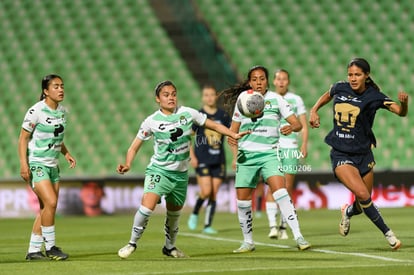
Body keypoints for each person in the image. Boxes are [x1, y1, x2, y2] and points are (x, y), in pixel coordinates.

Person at [117, 80, 249, 259]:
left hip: (180, 174)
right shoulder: (151, 121)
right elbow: (134, 147)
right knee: (147, 208)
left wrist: (232, 134)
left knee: (174, 215)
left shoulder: (188, 113)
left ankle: (169, 247)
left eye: (173, 94)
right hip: (159, 171)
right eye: (166, 95)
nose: (171, 98)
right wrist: (128, 164)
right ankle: (132, 243)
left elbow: (215, 126)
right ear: (157, 99)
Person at [309, 58, 408, 250]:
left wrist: (404, 105)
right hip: (341, 153)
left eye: (358, 74)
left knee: (362, 204)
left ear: (366, 75)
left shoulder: (375, 96)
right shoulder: (340, 87)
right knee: (363, 194)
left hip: (363, 154)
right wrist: (314, 110)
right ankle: (390, 235)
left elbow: (400, 113)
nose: (353, 78)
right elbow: (327, 95)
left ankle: (347, 212)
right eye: (350, 74)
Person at [221, 65, 311, 252]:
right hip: (247, 156)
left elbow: (297, 124)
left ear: (267, 81)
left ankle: (299, 236)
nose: (258, 82)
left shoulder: (276, 100)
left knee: (281, 192)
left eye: (262, 79)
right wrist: (236, 155)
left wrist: (291, 128)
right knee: (243, 201)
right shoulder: (243, 100)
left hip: (270, 154)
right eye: (254, 79)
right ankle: (248, 241)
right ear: (249, 82)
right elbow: (232, 133)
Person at [18, 74, 76, 261]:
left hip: (53, 166)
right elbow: (23, 138)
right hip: (37, 164)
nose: (61, 89)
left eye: (62, 86)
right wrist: (23, 164)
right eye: (56, 86)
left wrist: (65, 153)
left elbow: (57, 137)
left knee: (46, 208)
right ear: (45, 91)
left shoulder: (62, 111)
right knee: (50, 202)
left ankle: (33, 251)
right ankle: (51, 247)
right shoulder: (36, 111)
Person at [265, 69, 308, 240]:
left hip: (290, 146)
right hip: (273, 147)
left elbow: (303, 125)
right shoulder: (267, 98)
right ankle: (272, 226)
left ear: (288, 82)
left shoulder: (296, 100)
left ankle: (283, 226)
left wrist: (304, 144)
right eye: (278, 79)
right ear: (274, 82)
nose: (281, 82)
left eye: (284, 79)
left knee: (287, 188)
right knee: (272, 186)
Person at [187, 85, 231, 234]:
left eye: (212, 95)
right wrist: (191, 156)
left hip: (219, 159)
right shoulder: (198, 115)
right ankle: (194, 213)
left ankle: (207, 225)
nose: (209, 98)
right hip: (202, 159)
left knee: (213, 193)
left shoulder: (223, 116)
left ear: (216, 96)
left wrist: (236, 156)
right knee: (206, 191)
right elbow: (187, 137)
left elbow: (231, 136)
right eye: (206, 95)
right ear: (202, 97)